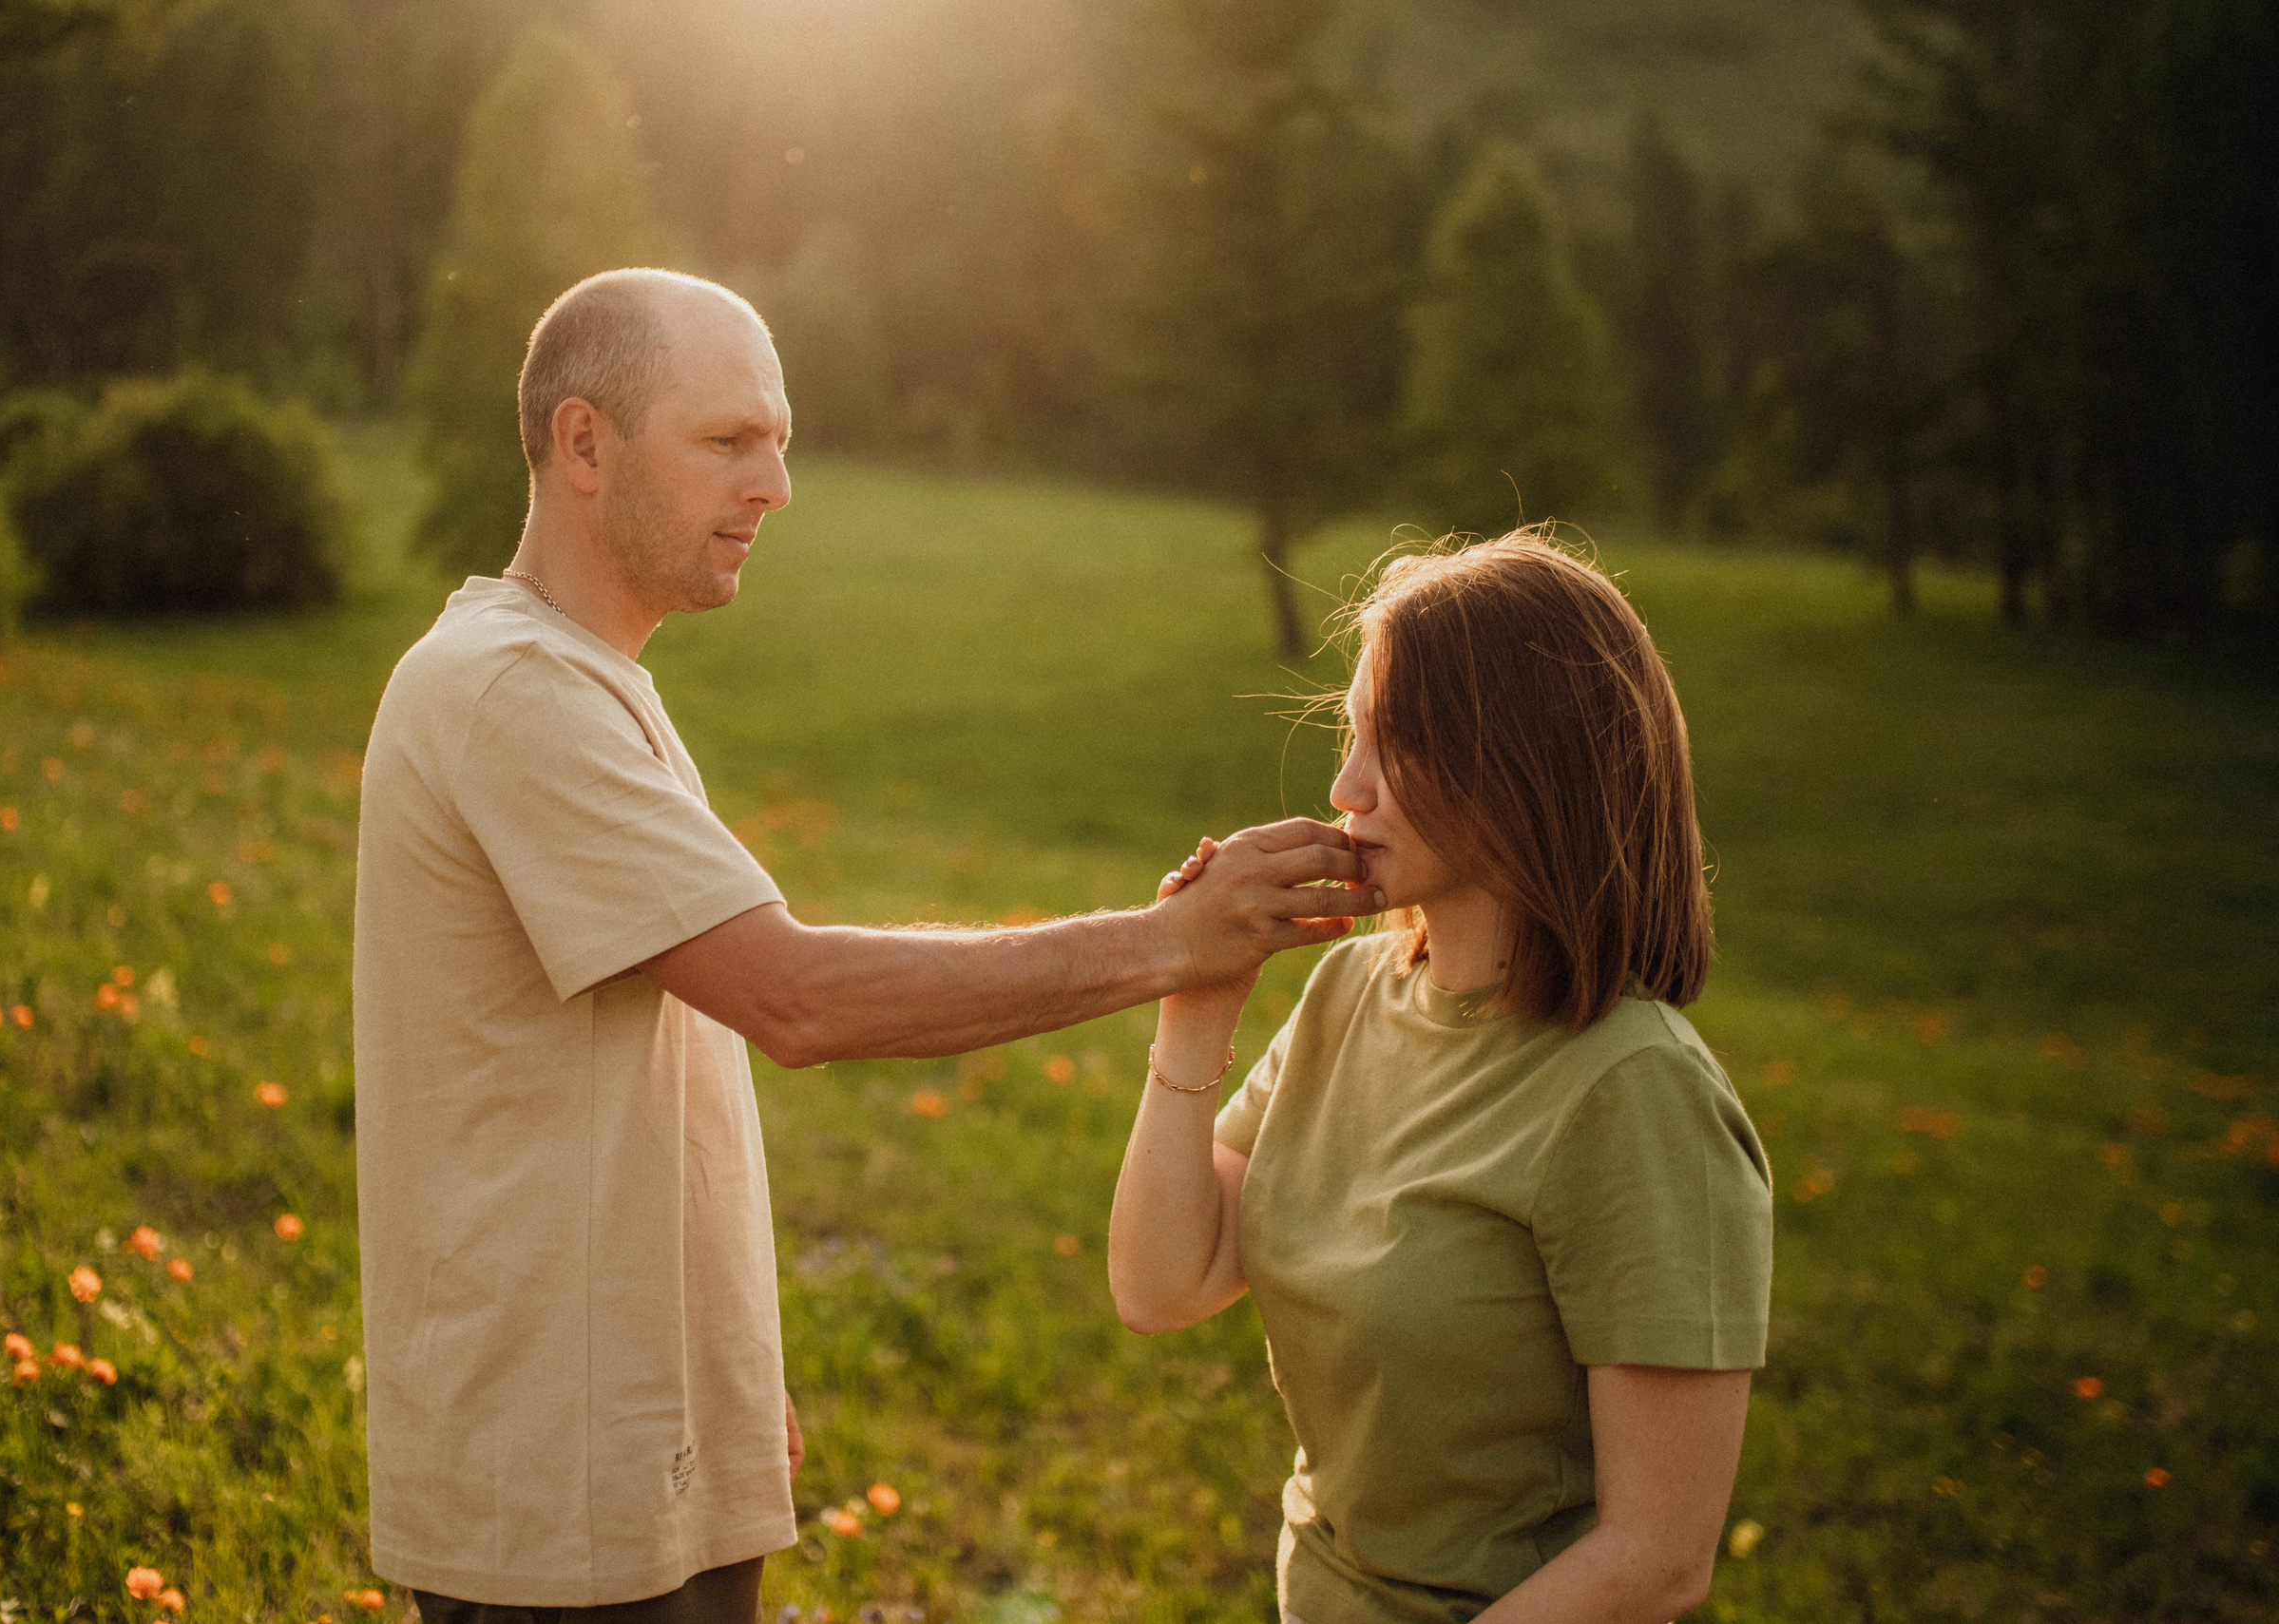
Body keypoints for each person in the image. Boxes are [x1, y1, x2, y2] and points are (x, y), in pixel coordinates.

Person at [352, 268, 1381, 1623]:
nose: (774, 485)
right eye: (728, 440)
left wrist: (720, 1369)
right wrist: (1170, 942)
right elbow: (797, 999)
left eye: (780, 439)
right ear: (583, 443)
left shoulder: (589, 682)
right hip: (558, 1486)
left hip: (633, 1437)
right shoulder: (510, 689)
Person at [1109, 533, 1774, 1623]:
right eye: (1352, 735)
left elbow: (1656, 1556)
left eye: (1397, 742)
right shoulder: (1347, 995)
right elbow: (1160, 1285)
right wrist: (1197, 1002)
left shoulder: (1637, 1093)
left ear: (1526, 761)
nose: (1343, 787)